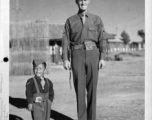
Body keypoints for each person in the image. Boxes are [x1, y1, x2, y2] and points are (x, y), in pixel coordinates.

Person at [62, 0, 106, 120]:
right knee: (80, 90)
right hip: (77, 55)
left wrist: (102, 57)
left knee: (92, 89)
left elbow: (102, 39)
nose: (83, 2)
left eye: (85, 0)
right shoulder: (70, 20)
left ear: (89, 1)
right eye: (80, 0)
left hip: (93, 54)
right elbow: (65, 40)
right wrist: (65, 58)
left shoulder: (97, 19)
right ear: (77, 2)